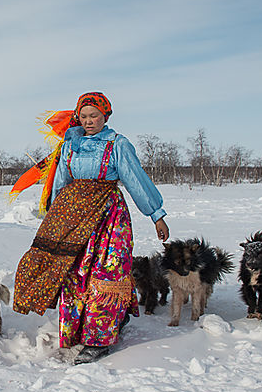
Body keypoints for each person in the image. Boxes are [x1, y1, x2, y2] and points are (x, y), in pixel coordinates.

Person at [11, 91, 169, 365]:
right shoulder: (70, 144)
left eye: (94, 115)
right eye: (83, 116)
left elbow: (135, 180)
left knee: (106, 273)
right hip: (72, 215)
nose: (88, 121)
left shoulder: (117, 144)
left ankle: (100, 337)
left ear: (105, 115)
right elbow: (60, 180)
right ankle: (81, 328)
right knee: (74, 272)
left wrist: (156, 214)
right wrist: (53, 215)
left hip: (108, 215)